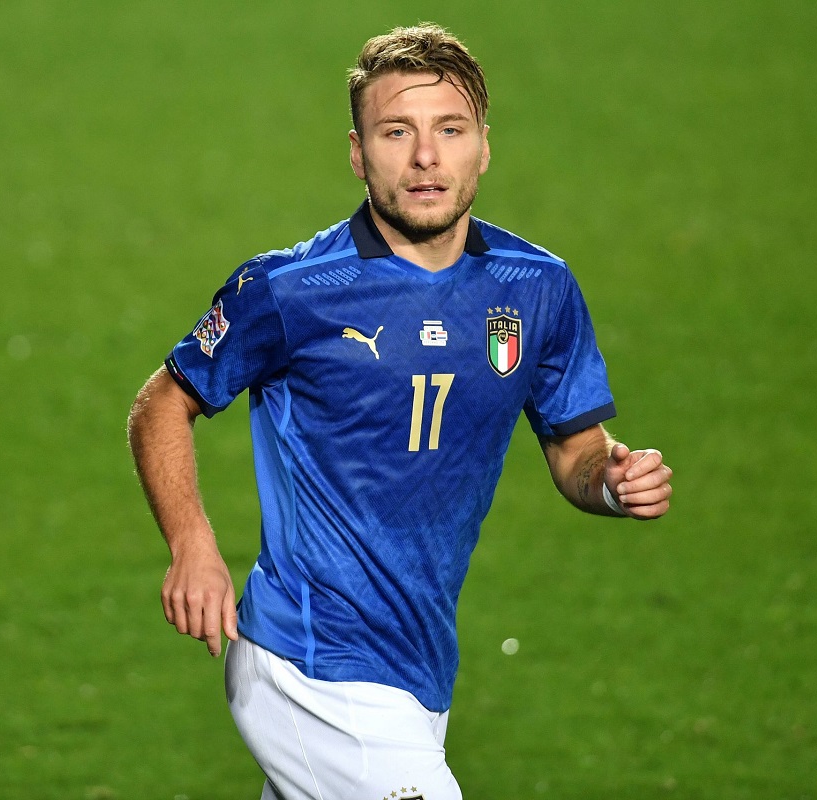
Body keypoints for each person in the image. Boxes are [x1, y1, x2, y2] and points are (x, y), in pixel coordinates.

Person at [127, 23, 673, 800]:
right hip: (309, 664)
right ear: (358, 154)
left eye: (449, 130)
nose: (425, 157)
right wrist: (192, 544)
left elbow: (575, 448)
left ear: (483, 147)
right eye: (396, 132)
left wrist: (613, 482)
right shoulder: (289, 291)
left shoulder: (536, 288)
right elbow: (162, 402)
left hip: (417, 668)